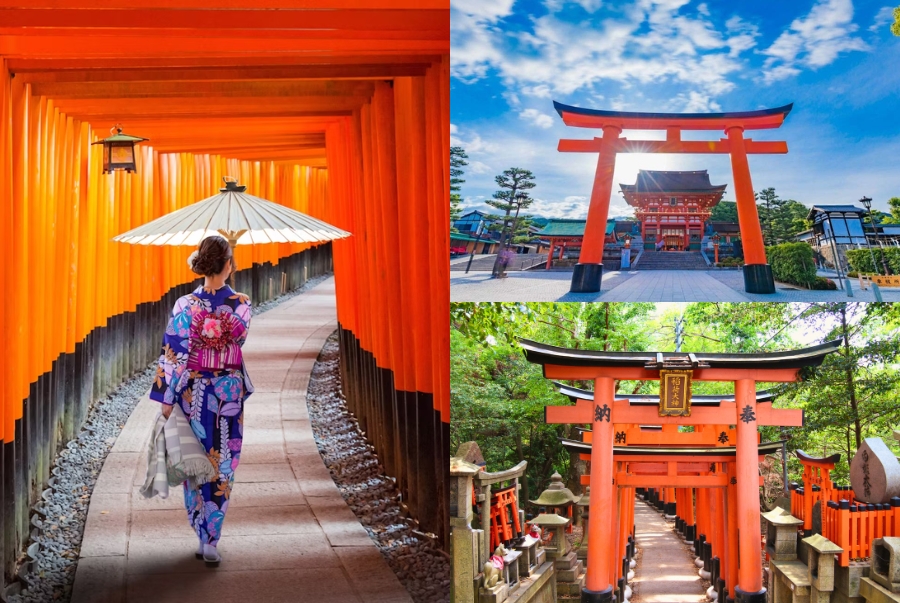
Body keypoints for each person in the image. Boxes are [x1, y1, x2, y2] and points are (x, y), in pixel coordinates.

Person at [149, 235, 254, 566]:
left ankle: (200, 529)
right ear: (228, 265)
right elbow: (239, 339)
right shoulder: (241, 304)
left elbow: (172, 355)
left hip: (192, 392)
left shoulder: (183, 305)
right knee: (223, 462)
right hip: (227, 394)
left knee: (195, 459)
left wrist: (167, 398)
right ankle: (211, 538)